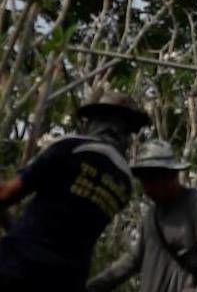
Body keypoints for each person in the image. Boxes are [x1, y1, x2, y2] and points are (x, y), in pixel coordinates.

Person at [0, 91, 150, 292]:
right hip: (67, 280)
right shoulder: (125, 183)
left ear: (97, 121)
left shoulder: (70, 148)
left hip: (18, 267)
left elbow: (7, 194)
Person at [87, 139, 197, 292]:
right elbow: (133, 260)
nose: (147, 188)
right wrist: (93, 286)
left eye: (150, 180)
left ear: (168, 177)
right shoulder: (151, 216)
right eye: (144, 180)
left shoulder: (196, 204)